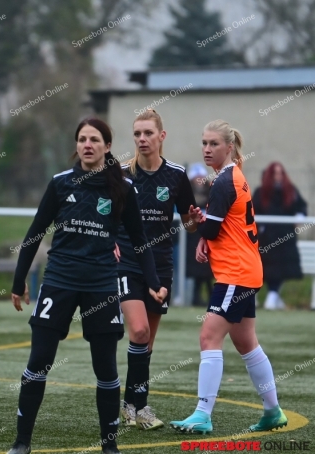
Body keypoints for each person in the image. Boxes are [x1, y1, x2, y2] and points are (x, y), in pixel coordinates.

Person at [7, 118, 167, 454]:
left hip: (101, 285)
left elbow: (139, 240)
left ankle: (110, 446)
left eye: (94, 139)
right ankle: (21, 443)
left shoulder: (123, 188)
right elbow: (35, 232)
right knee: (39, 361)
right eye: (82, 139)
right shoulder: (60, 183)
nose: (87, 145)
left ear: (107, 146)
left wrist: (153, 282)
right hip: (59, 282)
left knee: (106, 368)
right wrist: (19, 280)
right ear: (76, 145)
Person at [170, 120, 287, 434]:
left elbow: (210, 229)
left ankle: (202, 414)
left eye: (214, 144)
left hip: (236, 273)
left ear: (229, 147)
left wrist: (199, 226)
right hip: (245, 270)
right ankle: (273, 411)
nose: (207, 149)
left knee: (208, 337)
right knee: (247, 343)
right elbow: (217, 227)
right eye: (204, 143)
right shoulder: (232, 175)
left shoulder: (224, 180)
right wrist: (205, 229)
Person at [116, 109, 200, 431]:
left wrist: (194, 221)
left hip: (161, 266)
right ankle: (141, 407)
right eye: (137, 133)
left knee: (147, 342)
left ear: (161, 136)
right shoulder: (122, 175)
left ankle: (130, 406)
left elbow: (189, 224)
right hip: (127, 263)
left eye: (148, 133)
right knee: (138, 332)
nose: (142, 139)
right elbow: (107, 215)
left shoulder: (176, 175)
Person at [253, 162, 307, 310]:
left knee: (282, 267)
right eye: (275, 173)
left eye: (280, 173)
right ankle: (267, 296)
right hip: (267, 239)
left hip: (286, 239)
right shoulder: (261, 192)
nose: (278, 176)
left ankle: (273, 295)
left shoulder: (291, 191)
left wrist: (300, 215)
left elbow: (301, 206)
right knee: (266, 267)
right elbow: (253, 211)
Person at [185, 163, 214, 307]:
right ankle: (195, 298)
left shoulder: (212, 193)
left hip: (208, 235)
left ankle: (210, 298)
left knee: (208, 269)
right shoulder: (186, 195)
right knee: (196, 269)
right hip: (192, 238)